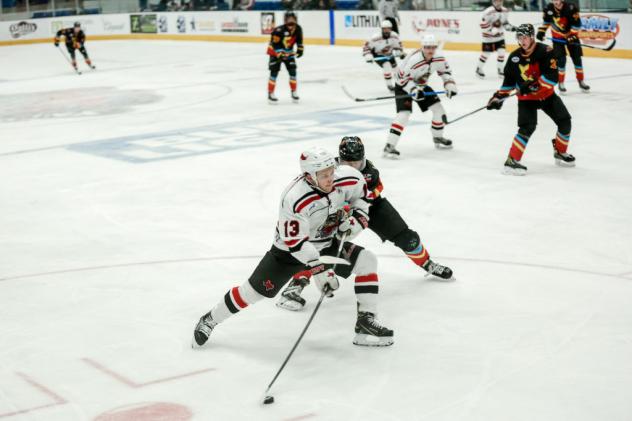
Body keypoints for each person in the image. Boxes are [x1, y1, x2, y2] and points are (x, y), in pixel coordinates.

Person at [193, 147, 394, 348]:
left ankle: (365, 322)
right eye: (323, 175)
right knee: (251, 293)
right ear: (309, 176)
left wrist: (356, 222)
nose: (330, 178)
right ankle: (210, 319)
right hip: (288, 253)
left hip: (326, 244)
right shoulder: (294, 198)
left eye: (331, 171)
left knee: (367, 260)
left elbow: (361, 199)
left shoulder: (349, 177)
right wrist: (319, 270)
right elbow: (296, 243)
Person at [277, 136, 455, 312]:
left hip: (373, 207)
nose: (353, 166)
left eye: (357, 162)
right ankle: (296, 283)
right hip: (336, 209)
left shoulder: (370, 171)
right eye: (348, 162)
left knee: (408, 239)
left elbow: (375, 190)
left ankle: (427, 263)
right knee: (319, 246)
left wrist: (358, 213)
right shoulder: (331, 171)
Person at [487, 24, 576, 175]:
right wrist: (497, 97)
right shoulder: (514, 58)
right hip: (526, 99)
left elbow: (553, 77)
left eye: (525, 37)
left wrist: (534, 85)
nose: (522, 41)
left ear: (532, 37)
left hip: (546, 95)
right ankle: (512, 160)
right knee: (527, 127)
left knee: (565, 121)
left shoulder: (545, 51)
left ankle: (560, 151)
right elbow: (508, 83)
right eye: (519, 37)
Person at [383, 33, 458, 159]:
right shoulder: (414, 60)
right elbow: (401, 79)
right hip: (404, 86)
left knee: (439, 110)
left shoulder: (439, 58)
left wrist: (449, 84)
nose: (430, 50)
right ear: (423, 47)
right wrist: (413, 90)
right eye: (427, 48)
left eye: (433, 47)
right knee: (404, 115)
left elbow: (445, 72)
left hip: (421, 86)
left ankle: (437, 137)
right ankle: (389, 145)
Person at [537, 0, 590, 93]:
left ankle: (581, 81)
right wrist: (541, 31)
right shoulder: (548, 8)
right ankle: (561, 83)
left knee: (577, 59)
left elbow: (577, 24)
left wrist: (573, 36)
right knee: (561, 60)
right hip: (557, 39)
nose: (556, 2)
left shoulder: (571, 7)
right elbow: (546, 22)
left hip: (571, 37)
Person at [267, 11, 304, 104]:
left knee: (293, 71)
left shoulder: (298, 29)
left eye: (293, 20)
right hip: (275, 53)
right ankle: (270, 93)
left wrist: (300, 49)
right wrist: (279, 54)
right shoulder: (278, 30)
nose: (291, 22)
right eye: (289, 20)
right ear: (285, 21)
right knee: (274, 73)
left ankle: (294, 92)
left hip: (288, 53)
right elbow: (275, 44)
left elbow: (299, 41)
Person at [476, 0, 516, 79]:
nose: (499, 3)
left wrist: (510, 28)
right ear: (493, 2)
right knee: (485, 54)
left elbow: (504, 23)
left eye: (500, 1)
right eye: (497, 1)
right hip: (488, 38)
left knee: (502, 52)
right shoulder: (488, 12)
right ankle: (479, 68)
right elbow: (482, 24)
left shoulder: (505, 10)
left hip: (500, 37)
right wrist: (491, 29)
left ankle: (500, 70)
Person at [363, 20, 406, 92]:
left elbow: (398, 46)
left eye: (388, 29)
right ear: (381, 29)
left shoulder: (394, 36)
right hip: (378, 55)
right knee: (387, 65)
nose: (386, 31)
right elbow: (366, 46)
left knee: (396, 70)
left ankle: (400, 85)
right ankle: (389, 85)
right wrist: (368, 55)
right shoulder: (375, 37)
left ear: (391, 29)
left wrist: (400, 52)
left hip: (389, 55)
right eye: (384, 29)